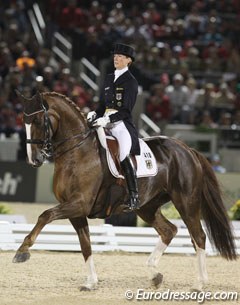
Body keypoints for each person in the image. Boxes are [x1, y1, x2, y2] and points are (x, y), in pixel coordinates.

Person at [87, 43, 140, 210]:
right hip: (105, 121)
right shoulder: (109, 77)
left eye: (121, 57)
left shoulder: (131, 82)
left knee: (123, 154)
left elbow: (126, 110)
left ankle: (133, 195)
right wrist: (95, 114)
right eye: (115, 56)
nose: (116, 58)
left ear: (129, 61)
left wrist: (108, 120)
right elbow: (103, 105)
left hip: (121, 124)